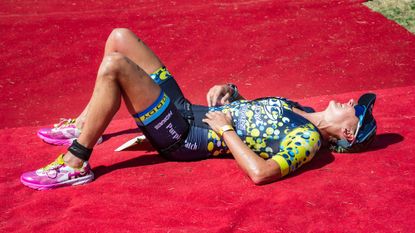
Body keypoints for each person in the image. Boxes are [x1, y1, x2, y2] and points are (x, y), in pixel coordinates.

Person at [20, 28, 377, 190]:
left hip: (188, 135)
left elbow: (262, 172)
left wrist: (225, 130)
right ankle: (85, 126)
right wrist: (230, 93)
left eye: (355, 110)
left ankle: (75, 162)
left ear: (348, 134)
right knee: (120, 38)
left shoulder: (308, 141)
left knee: (116, 66)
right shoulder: (299, 108)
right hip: (188, 110)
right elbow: (257, 117)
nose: (350, 102)